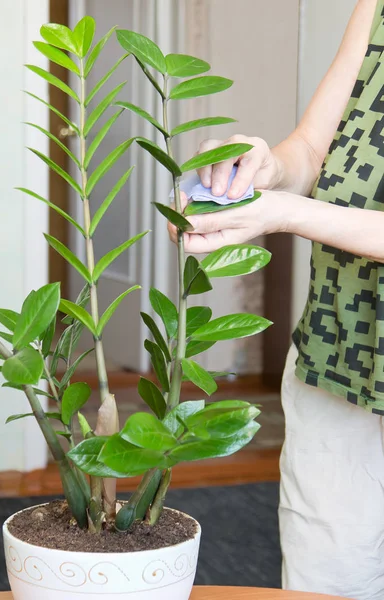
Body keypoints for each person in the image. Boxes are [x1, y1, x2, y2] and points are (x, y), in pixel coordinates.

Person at [169, 1, 384, 598]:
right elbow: (314, 151)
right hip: (339, 351)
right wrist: (265, 169)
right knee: (325, 575)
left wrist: (287, 214)